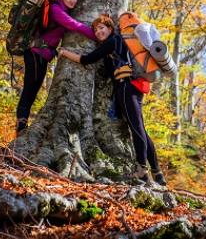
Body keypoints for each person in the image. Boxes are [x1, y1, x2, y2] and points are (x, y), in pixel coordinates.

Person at [59, 14, 167, 186]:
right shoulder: (120, 42)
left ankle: (142, 171)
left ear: (110, 29)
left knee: (136, 128)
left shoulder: (113, 41)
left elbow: (87, 59)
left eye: (102, 28)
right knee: (140, 129)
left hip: (126, 88)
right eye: (95, 29)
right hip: (136, 87)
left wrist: (64, 52)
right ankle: (157, 173)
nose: (98, 32)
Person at [15, 0, 96, 133]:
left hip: (43, 55)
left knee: (34, 90)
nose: (73, 1)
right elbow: (74, 25)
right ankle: (20, 125)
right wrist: (96, 35)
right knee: (29, 89)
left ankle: (22, 124)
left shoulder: (63, 9)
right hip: (34, 52)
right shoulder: (55, 10)